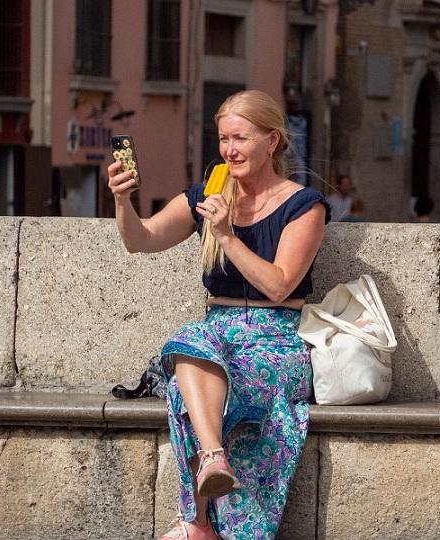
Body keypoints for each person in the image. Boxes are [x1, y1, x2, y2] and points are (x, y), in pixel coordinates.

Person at [108, 90, 330, 540]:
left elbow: (280, 283)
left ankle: (196, 521)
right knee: (190, 348)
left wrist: (227, 237)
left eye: (241, 139)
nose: (229, 150)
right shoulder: (209, 194)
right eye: (223, 138)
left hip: (277, 337)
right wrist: (122, 201)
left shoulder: (305, 205)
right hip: (216, 333)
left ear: (271, 142)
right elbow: (142, 240)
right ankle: (213, 458)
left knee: (191, 371)